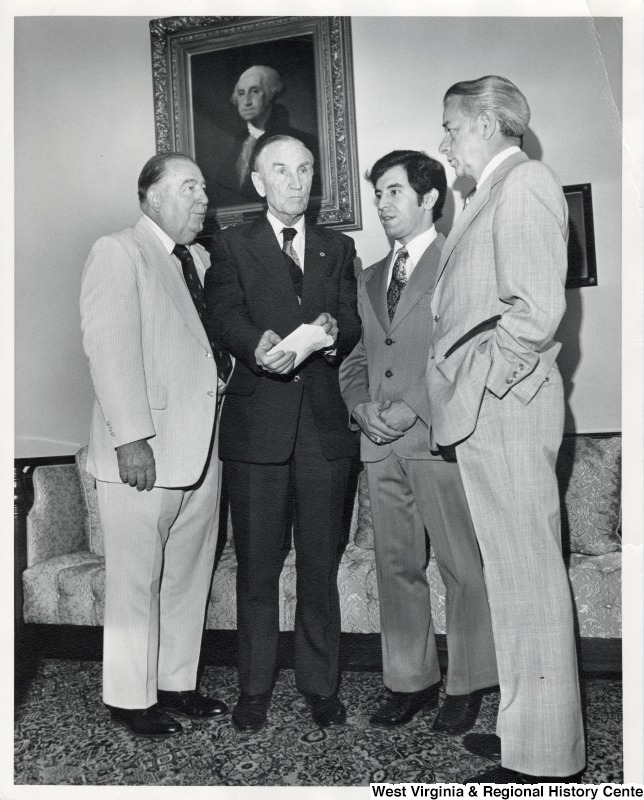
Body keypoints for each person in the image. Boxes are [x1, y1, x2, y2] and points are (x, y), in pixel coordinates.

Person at [428, 75, 586, 782]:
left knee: (529, 579)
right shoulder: (491, 193)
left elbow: (536, 311)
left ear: (488, 123)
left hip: (507, 407)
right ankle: (529, 732)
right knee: (515, 581)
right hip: (496, 410)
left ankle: (547, 761)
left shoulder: (523, 185)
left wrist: (486, 383)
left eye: (451, 128)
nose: (444, 143)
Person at [204, 135, 360, 732]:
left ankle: (320, 687)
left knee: (320, 568)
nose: (295, 181)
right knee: (257, 568)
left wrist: (331, 326)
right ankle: (254, 689)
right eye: (281, 171)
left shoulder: (337, 248)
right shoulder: (231, 244)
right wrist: (254, 344)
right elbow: (224, 315)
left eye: (304, 170)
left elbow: (348, 318)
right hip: (256, 430)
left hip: (323, 433)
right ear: (260, 182)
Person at [339, 150, 498, 734]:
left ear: (430, 198)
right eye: (377, 193)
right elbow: (358, 357)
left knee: (462, 567)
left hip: (438, 439)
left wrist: (414, 407)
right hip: (379, 446)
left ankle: (470, 683)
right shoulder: (371, 275)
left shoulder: (460, 258)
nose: (381, 204)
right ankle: (410, 682)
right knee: (395, 566)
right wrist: (359, 407)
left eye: (394, 192)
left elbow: (466, 351)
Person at [80, 153, 230, 738]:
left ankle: (175, 684)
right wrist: (132, 439)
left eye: (204, 188)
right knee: (135, 580)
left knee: (187, 576)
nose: (202, 200)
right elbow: (110, 349)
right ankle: (128, 699)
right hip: (143, 450)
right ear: (151, 197)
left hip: (201, 448)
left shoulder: (198, 258)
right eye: (188, 187)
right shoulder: (118, 252)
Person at [216, 65, 320, 206]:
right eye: (241, 93)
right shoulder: (239, 143)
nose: (246, 101)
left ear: (271, 94)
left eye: (255, 91)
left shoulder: (302, 142)